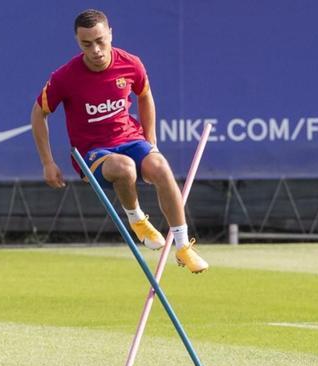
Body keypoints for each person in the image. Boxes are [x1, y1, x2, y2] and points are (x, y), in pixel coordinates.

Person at [30, 9, 208, 273]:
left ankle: (183, 247)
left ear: (110, 34)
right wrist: (47, 162)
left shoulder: (131, 63)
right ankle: (137, 219)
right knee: (123, 167)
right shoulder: (64, 77)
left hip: (130, 138)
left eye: (101, 41)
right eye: (86, 44)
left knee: (160, 167)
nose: (96, 50)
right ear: (78, 42)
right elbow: (38, 113)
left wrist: (151, 141)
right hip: (93, 153)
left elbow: (144, 95)